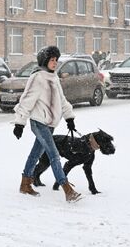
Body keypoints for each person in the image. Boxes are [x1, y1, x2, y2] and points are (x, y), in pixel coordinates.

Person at [12, 45, 81, 202]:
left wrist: (69, 118)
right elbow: (27, 100)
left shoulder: (54, 78)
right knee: (54, 155)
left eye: (56, 60)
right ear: (44, 60)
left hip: (50, 124)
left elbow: (61, 100)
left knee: (36, 153)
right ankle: (67, 190)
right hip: (39, 122)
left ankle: (25, 183)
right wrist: (19, 123)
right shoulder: (37, 78)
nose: (55, 62)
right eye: (52, 60)